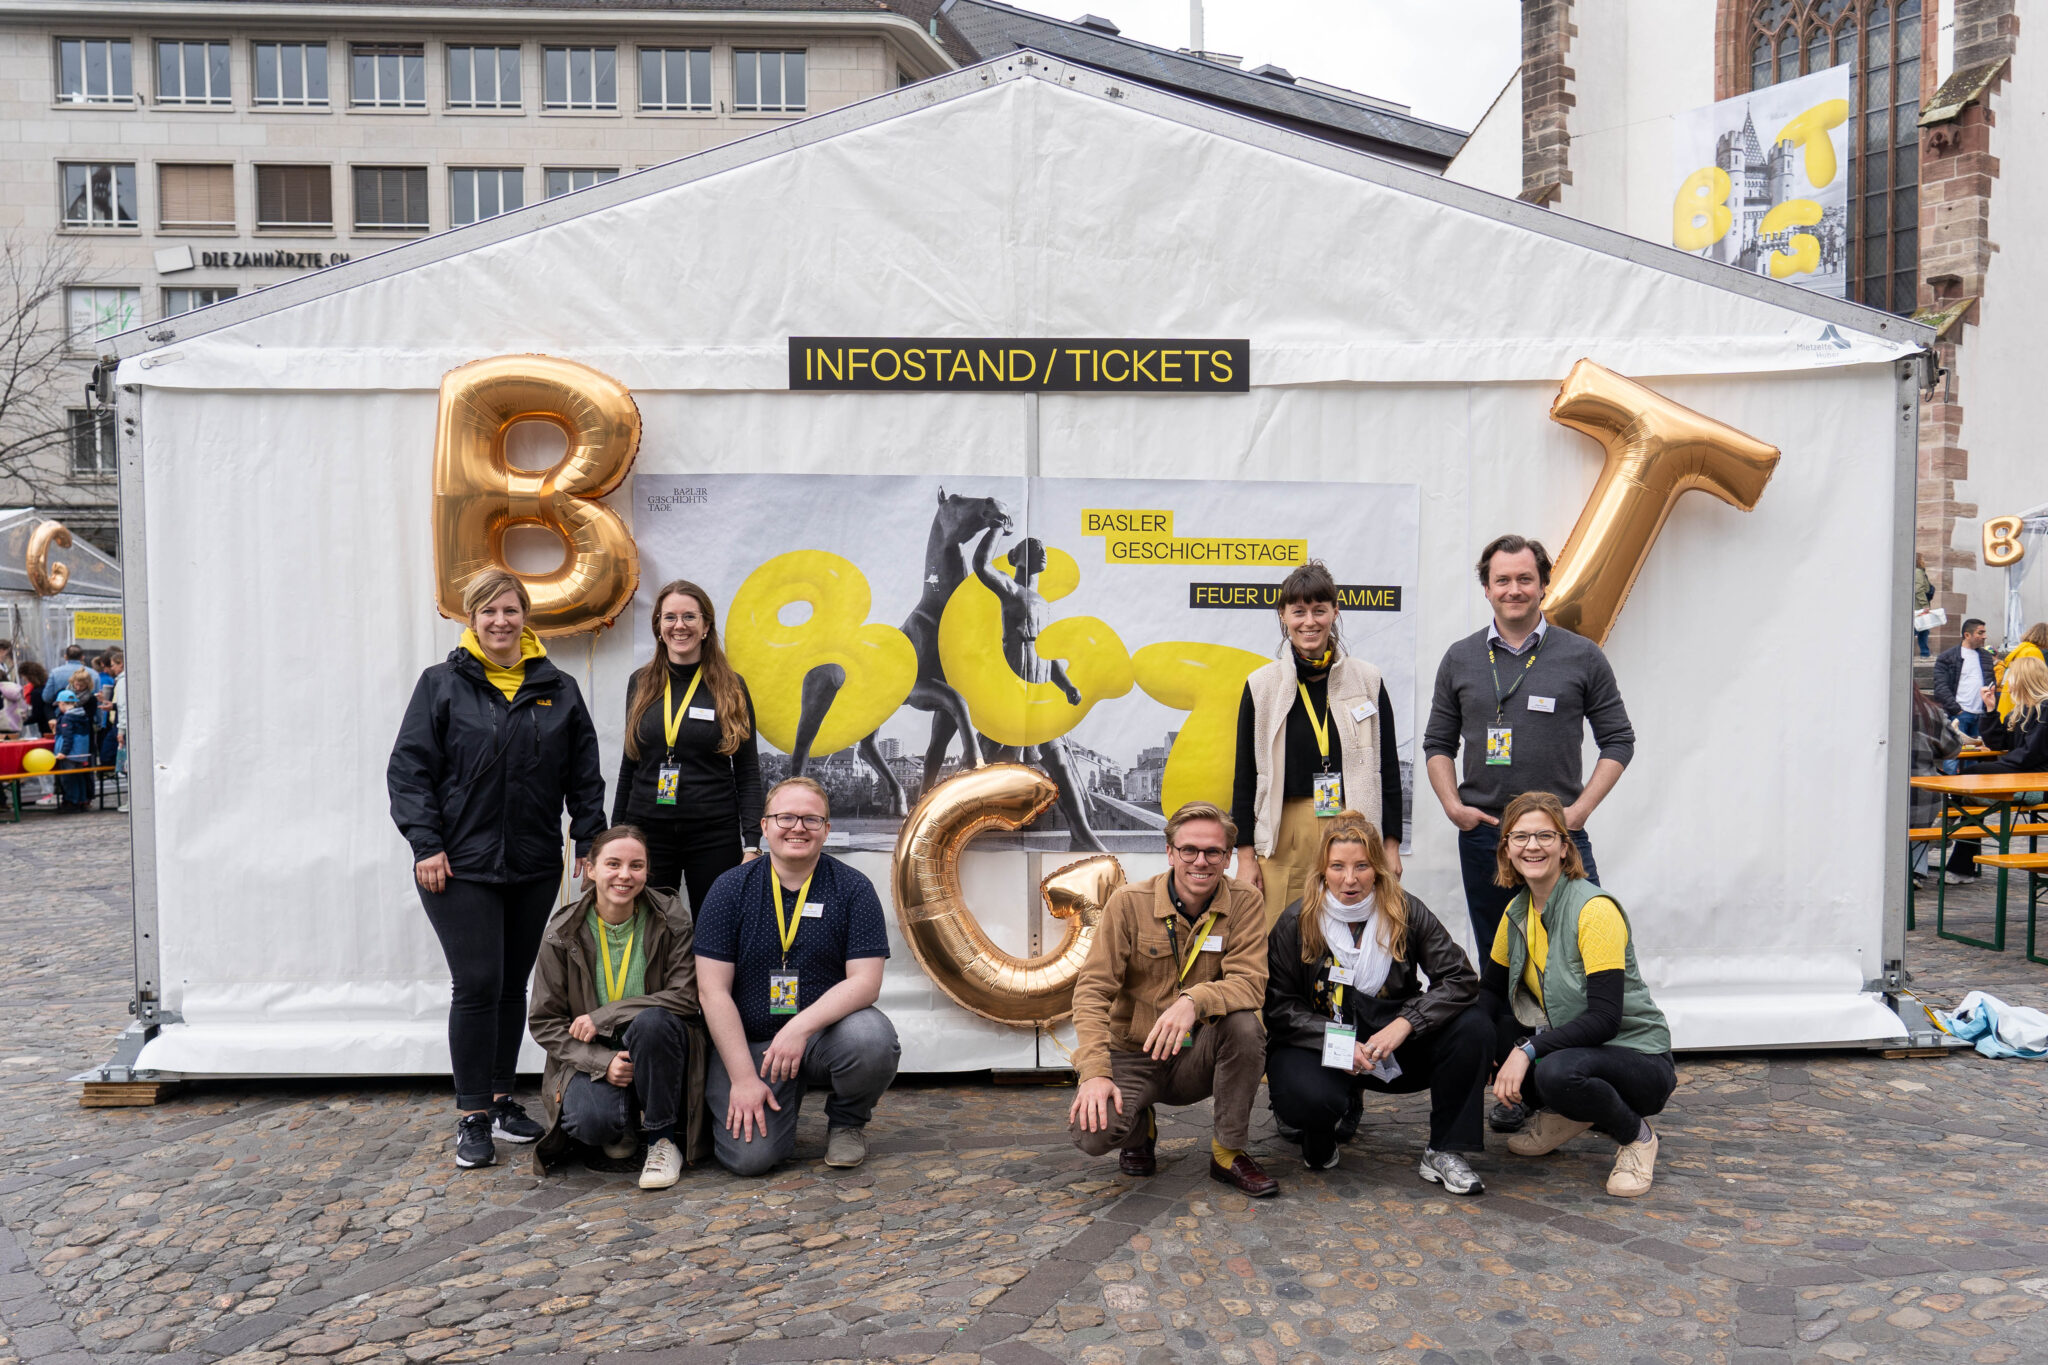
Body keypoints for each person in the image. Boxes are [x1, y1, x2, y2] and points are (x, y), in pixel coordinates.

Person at [387, 569, 608, 1171]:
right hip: (458, 866)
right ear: (472, 619)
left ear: (524, 616)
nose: (500, 622)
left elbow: (583, 773)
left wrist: (588, 838)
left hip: (534, 862)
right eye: (488, 612)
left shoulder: (557, 688)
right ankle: (472, 1115)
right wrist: (426, 844)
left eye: (510, 610)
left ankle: (504, 1099)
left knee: (514, 985)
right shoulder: (441, 684)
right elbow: (410, 772)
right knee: (478, 983)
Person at [1422, 534, 1635, 976]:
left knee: (1582, 950)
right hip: (1488, 835)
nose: (1513, 589)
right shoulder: (1460, 658)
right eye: (1502, 580)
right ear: (1486, 588)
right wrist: (1452, 807)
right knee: (1497, 957)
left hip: (1559, 834)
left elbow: (1618, 740)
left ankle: (1571, 1044)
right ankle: (1505, 1044)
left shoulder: (1583, 656)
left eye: (1524, 579)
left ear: (1543, 586)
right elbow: (1438, 744)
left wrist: (1578, 812)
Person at [1263, 812, 1491, 1191]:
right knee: (1308, 1098)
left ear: (1377, 869)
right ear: (1322, 868)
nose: (1349, 879)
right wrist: (1338, 1042)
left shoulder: (1406, 910)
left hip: (1391, 1045)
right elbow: (1279, 1008)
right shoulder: (1295, 922)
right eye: (1337, 866)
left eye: (1361, 866)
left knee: (1475, 1026)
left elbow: (1461, 979)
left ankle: (1445, 1150)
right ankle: (1320, 1132)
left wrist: (1406, 1024)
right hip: (1324, 1044)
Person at [1069, 801, 1280, 1197]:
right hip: (1133, 1054)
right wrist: (1095, 1071)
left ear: (1228, 857)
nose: (1201, 861)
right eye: (1189, 850)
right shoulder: (1129, 903)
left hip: (1196, 1053)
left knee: (1245, 1025)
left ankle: (1227, 1153)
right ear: (1170, 852)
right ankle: (1138, 1131)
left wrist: (1193, 1001)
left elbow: (1251, 984)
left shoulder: (1245, 902)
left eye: (1213, 852)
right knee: (1092, 1135)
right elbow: (1092, 991)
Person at [695, 777, 898, 1175]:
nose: (798, 828)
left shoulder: (854, 888)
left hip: (821, 1038)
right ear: (765, 826)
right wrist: (743, 1078)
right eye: (785, 817)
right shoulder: (729, 889)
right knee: (749, 1160)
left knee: (872, 1038)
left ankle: (847, 1122)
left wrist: (798, 1029)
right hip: (750, 1041)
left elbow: (865, 982)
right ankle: (754, 1097)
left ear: (827, 829)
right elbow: (712, 991)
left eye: (811, 819)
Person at [1485, 792, 1674, 1198]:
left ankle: (1638, 1138)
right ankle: (1568, 1115)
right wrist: (1477, 1046)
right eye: (1519, 837)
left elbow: (1606, 1018)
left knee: (1555, 1071)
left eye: (1544, 836)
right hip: (1578, 1050)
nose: (1531, 846)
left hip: (1639, 1057)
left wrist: (1526, 1051)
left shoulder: (1594, 909)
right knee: (1486, 1034)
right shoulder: (1516, 912)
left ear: (1564, 847)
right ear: (1506, 848)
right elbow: (1489, 993)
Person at [528, 825, 707, 1189]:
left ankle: (661, 1139)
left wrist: (606, 1014)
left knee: (653, 1022)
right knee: (591, 1124)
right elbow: (545, 1022)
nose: (625, 875)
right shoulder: (561, 933)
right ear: (591, 869)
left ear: (647, 871)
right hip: (594, 1054)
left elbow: (686, 996)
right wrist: (600, 1061)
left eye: (636, 866)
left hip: (657, 1046)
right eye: (613, 864)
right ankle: (621, 1124)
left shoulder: (671, 919)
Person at [1232, 560, 1404, 928]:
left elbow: (1387, 767)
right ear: (1283, 616)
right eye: (1298, 611)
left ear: (1335, 612)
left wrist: (1390, 845)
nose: (1309, 621)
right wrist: (1245, 856)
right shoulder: (1261, 686)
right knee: (1280, 936)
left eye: (1319, 610)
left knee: (1351, 932)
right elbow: (1245, 775)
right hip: (1285, 833)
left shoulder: (1367, 680)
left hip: (1352, 827)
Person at [613, 579, 765, 909]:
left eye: (689, 617)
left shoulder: (730, 686)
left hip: (712, 834)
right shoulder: (640, 683)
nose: (679, 626)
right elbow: (630, 763)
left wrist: (752, 843)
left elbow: (748, 771)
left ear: (706, 626)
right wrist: (615, 837)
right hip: (648, 832)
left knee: (715, 930)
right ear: (658, 626)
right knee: (649, 928)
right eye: (670, 617)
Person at [970, 530, 1107, 852]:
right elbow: (980, 564)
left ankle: (1081, 834)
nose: (1040, 550)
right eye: (1031, 547)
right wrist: (994, 530)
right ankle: (966, 824)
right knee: (988, 762)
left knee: (1059, 763)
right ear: (1016, 558)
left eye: (1042, 547)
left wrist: (1067, 685)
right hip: (1010, 692)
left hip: (1039, 695)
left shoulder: (1044, 604)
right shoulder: (1009, 588)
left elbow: (1048, 653)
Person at [1941, 655, 2048, 882]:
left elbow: (2029, 755)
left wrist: (1992, 769)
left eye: (2011, 677)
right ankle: (1961, 867)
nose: (2006, 683)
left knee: (1971, 779)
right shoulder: (2022, 710)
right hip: (2023, 777)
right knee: (1971, 797)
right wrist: (1990, 709)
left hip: (2038, 783)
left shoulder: (2044, 710)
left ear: (2024, 679)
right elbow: (1998, 743)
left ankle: (1950, 839)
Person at [1908, 684, 1964, 887]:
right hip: (1923, 796)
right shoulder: (1930, 712)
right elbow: (1953, 749)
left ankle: (1913, 869)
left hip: (1878, 796)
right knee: (1918, 823)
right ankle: (1916, 869)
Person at [1934, 618, 1996, 743]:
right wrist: (1956, 709)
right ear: (1967, 635)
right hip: (1960, 713)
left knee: (1977, 754)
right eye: (1980, 633)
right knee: (1953, 756)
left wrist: (1988, 708)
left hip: (1981, 714)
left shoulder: (1986, 656)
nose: (1985, 636)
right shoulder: (1947, 657)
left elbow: (1991, 682)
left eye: (1984, 632)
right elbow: (1941, 687)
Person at [1994, 623, 2048, 723]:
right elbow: (2037, 682)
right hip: (2022, 705)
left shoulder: (2022, 649)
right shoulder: (2033, 652)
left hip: (2010, 699)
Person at [51, 689, 95, 810]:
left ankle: (72, 801)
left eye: (59, 704)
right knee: (79, 776)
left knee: (68, 777)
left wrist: (63, 752)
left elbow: (68, 737)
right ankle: (82, 799)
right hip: (81, 753)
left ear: (62, 704)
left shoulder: (67, 718)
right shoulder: (82, 715)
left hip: (70, 754)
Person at [1913, 554, 1935, 658]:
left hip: (1919, 605)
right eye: (1923, 559)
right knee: (1918, 629)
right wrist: (1924, 605)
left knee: (1924, 629)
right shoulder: (1918, 572)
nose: (1924, 561)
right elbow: (1918, 589)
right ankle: (1924, 653)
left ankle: (1925, 653)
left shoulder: (1919, 571)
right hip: (1919, 606)